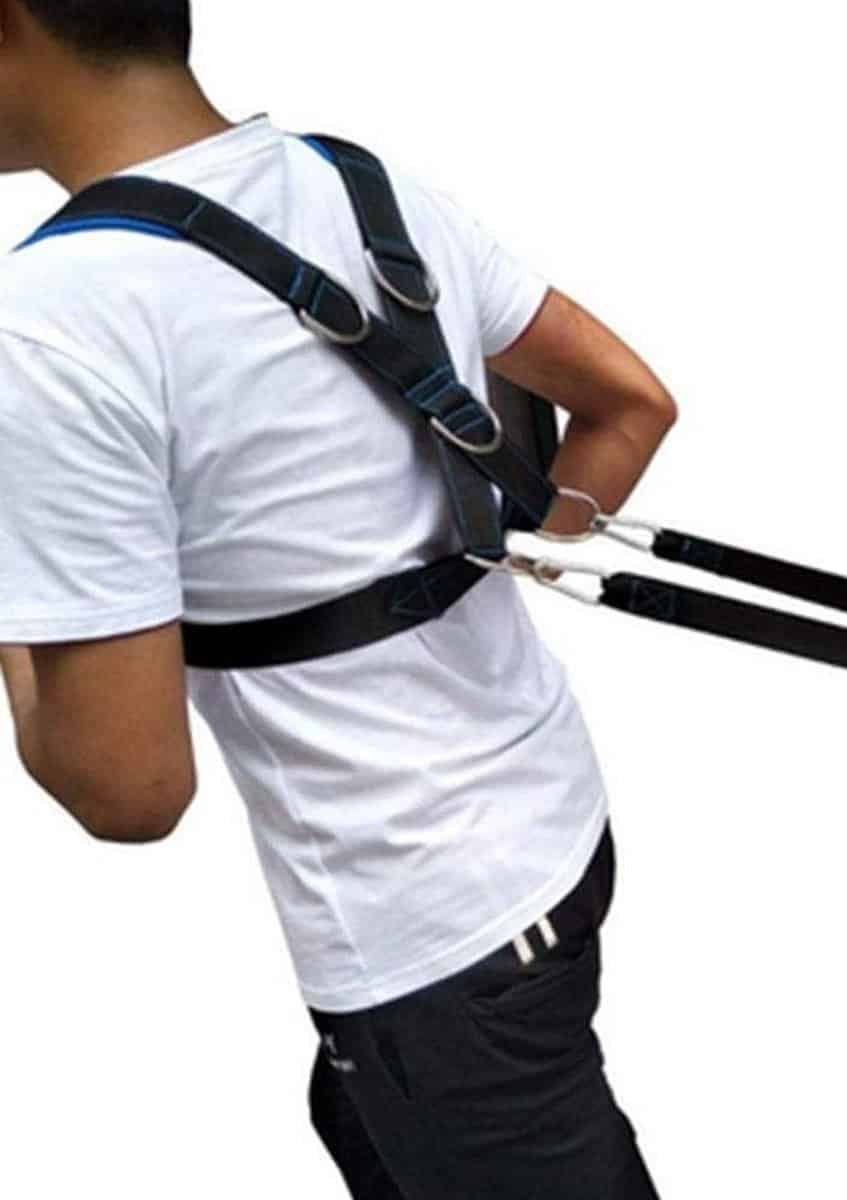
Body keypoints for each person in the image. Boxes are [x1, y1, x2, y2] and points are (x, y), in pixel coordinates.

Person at [0, 3, 675, 1196]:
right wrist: (485, 551)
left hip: (431, 948)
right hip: (553, 827)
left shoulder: (50, 327)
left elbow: (129, 791)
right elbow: (630, 404)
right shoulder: (358, 184)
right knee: (359, 1116)